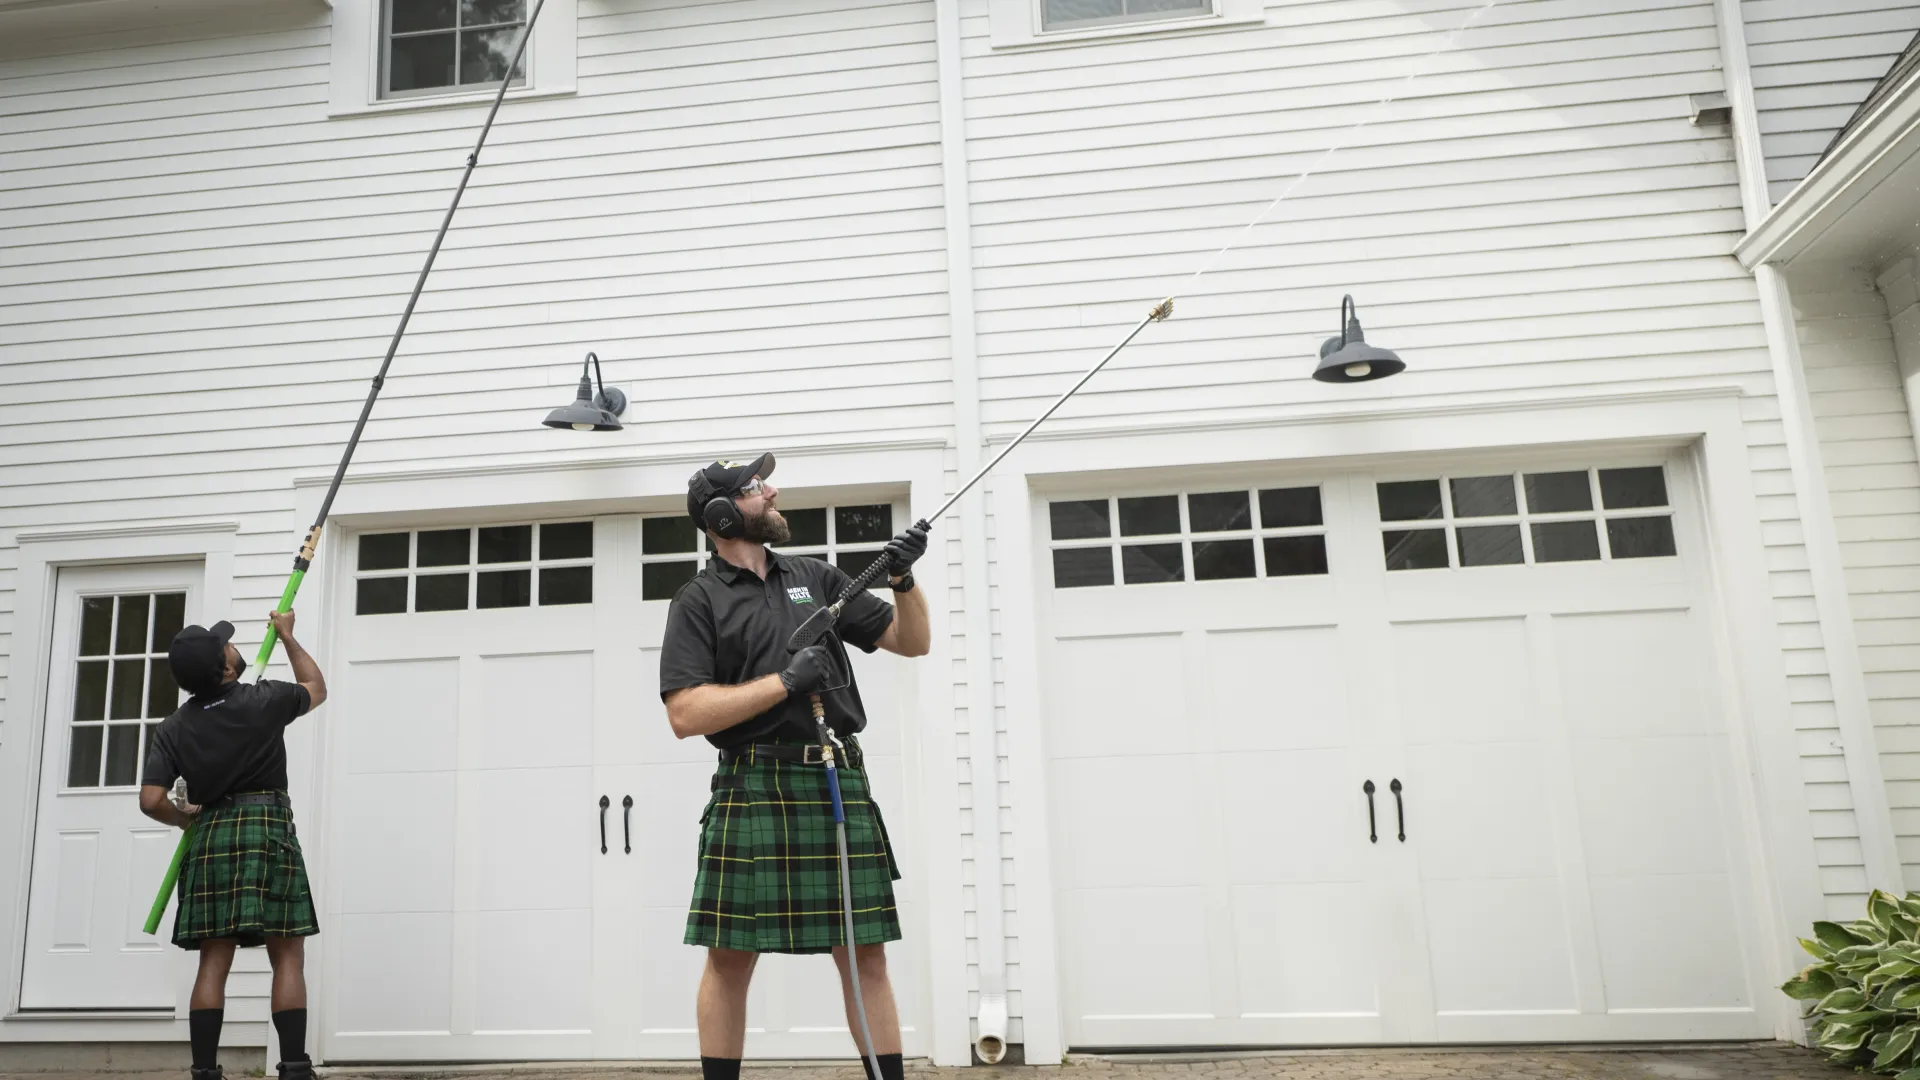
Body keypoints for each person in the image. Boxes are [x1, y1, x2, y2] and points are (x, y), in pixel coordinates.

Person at [661, 453, 932, 1080]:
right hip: (755, 784)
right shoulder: (698, 601)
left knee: (866, 953)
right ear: (724, 514)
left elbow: (911, 641)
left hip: (837, 775)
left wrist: (905, 581)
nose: (773, 491)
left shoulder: (815, 575)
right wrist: (784, 682)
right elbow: (685, 712)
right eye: (757, 489)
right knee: (729, 957)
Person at [138, 611, 327, 1080]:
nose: (232, 647)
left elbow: (150, 801)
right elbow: (316, 687)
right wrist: (286, 635)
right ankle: (295, 1068)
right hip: (267, 828)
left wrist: (183, 821)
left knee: (213, 959)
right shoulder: (263, 699)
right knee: (286, 953)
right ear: (224, 668)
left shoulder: (173, 726)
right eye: (225, 646)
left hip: (211, 834)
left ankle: (204, 1072)